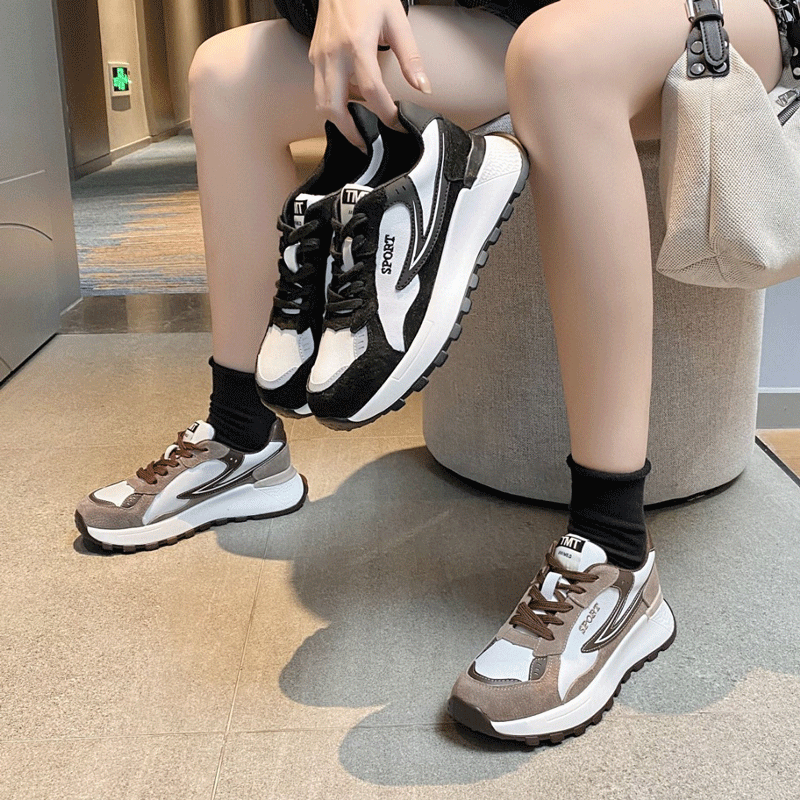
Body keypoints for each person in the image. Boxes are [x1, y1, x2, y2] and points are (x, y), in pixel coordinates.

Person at [76, 0, 787, 742]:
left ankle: (615, 554)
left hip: (707, 13)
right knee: (227, 75)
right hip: (509, 15)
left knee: (558, 57)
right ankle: (241, 439)